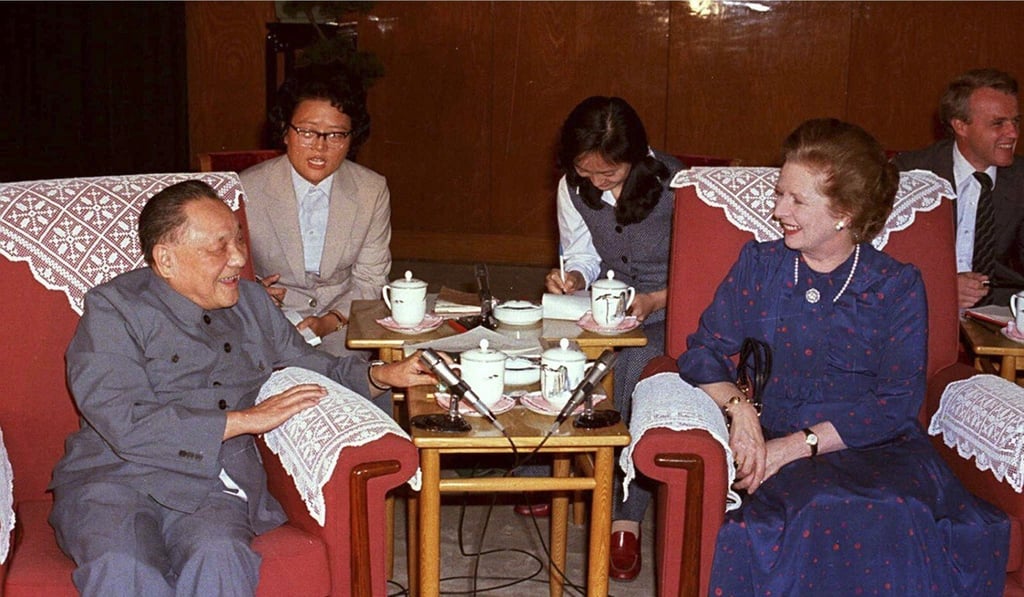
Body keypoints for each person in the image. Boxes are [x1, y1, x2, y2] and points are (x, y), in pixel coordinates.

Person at [48, 181, 433, 596]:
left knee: (219, 556)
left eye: (239, 240)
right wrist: (244, 420)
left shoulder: (252, 303)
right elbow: (121, 418)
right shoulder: (114, 309)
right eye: (219, 247)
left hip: (213, 480)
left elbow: (313, 366)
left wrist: (380, 376)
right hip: (113, 478)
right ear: (166, 260)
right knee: (121, 566)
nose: (239, 258)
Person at [678, 118, 1009, 595]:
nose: (777, 210)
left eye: (795, 200)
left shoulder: (895, 285)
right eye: (778, 194)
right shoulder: (761, 265)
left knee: (891, 510)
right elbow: (702, 352)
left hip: (875, 448)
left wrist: (791, 449)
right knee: (802, 513)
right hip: (780, 445)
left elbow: (895, 402)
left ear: (846, 212)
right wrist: (741, 410)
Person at [542, 96, 681, 580]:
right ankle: (555, 475)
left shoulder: (677, 185)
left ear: (637, 157)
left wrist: (656, 301)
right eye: (586, 173)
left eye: (610, 175)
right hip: (611, 303)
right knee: (547, 351)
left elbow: (709, 272)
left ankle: (626, 515)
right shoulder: (571, 185)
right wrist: (574, 280)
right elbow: (581, 254)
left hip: (675, 306)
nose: (596, 184)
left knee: (632, 370)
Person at [241, 64, 392, 356]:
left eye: (335, 135)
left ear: (352, 139)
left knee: (356, 387)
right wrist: (253, 292)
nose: (320, 147)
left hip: (343, 323)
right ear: (285, 131)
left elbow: (371, 280)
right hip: (268, 322)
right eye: (307, 132)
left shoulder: (371, 190)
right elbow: (224, 272)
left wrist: (329, 322)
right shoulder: (247, 189)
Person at [894, 68, 1024, 308]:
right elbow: (885, 260)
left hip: (1001, 314)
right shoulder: (910, 173)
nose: (1013, 133)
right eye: (998, 123)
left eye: (1015, 121)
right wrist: (940, 285)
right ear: (961, 126)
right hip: (922, 304)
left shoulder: (1020, 181)